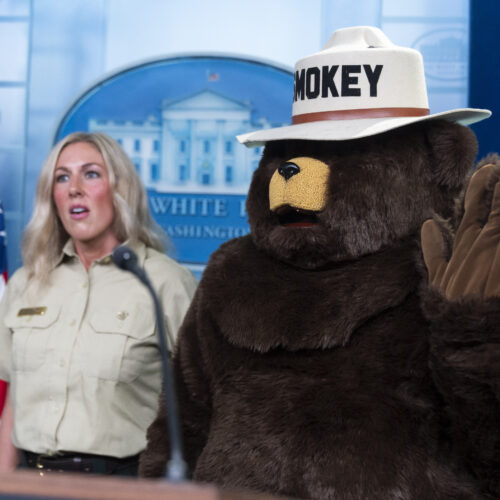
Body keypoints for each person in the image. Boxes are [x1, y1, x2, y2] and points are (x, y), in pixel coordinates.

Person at [0, 132, 197, 476]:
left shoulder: (164, 283)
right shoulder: (25, 283)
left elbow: (202, 404)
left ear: (119, 189)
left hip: (123, 485)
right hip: (29, 482)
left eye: (90, 173)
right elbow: (14, 402)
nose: (74, 187)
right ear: (53, 196)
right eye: (62, 177)